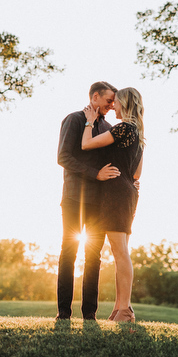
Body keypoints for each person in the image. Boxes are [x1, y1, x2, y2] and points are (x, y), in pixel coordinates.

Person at [56, 81, 121, 320]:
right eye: (108, 101)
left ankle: (89, 314)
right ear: (95, 97)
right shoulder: (73, 120)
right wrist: (94, 174)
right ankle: (63, 312)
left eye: (114, 102)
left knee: (94, 255)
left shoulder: (108, 127)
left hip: (99, 202)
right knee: (69, 251)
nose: (112, 105)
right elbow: (63, 157)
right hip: (74, 197)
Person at [81, 87, 145, 322]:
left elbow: (86, 145)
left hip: (116, 194)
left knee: (120, 253)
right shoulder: (138, 134)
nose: (113, 106)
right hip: (127, 193)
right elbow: (137, 174)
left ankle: (126, 310)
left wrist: (89, 122)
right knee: (121, 252)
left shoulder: (123, 128)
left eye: (116, 102)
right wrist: (130, 182)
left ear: (125, 104)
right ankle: (119, 309)